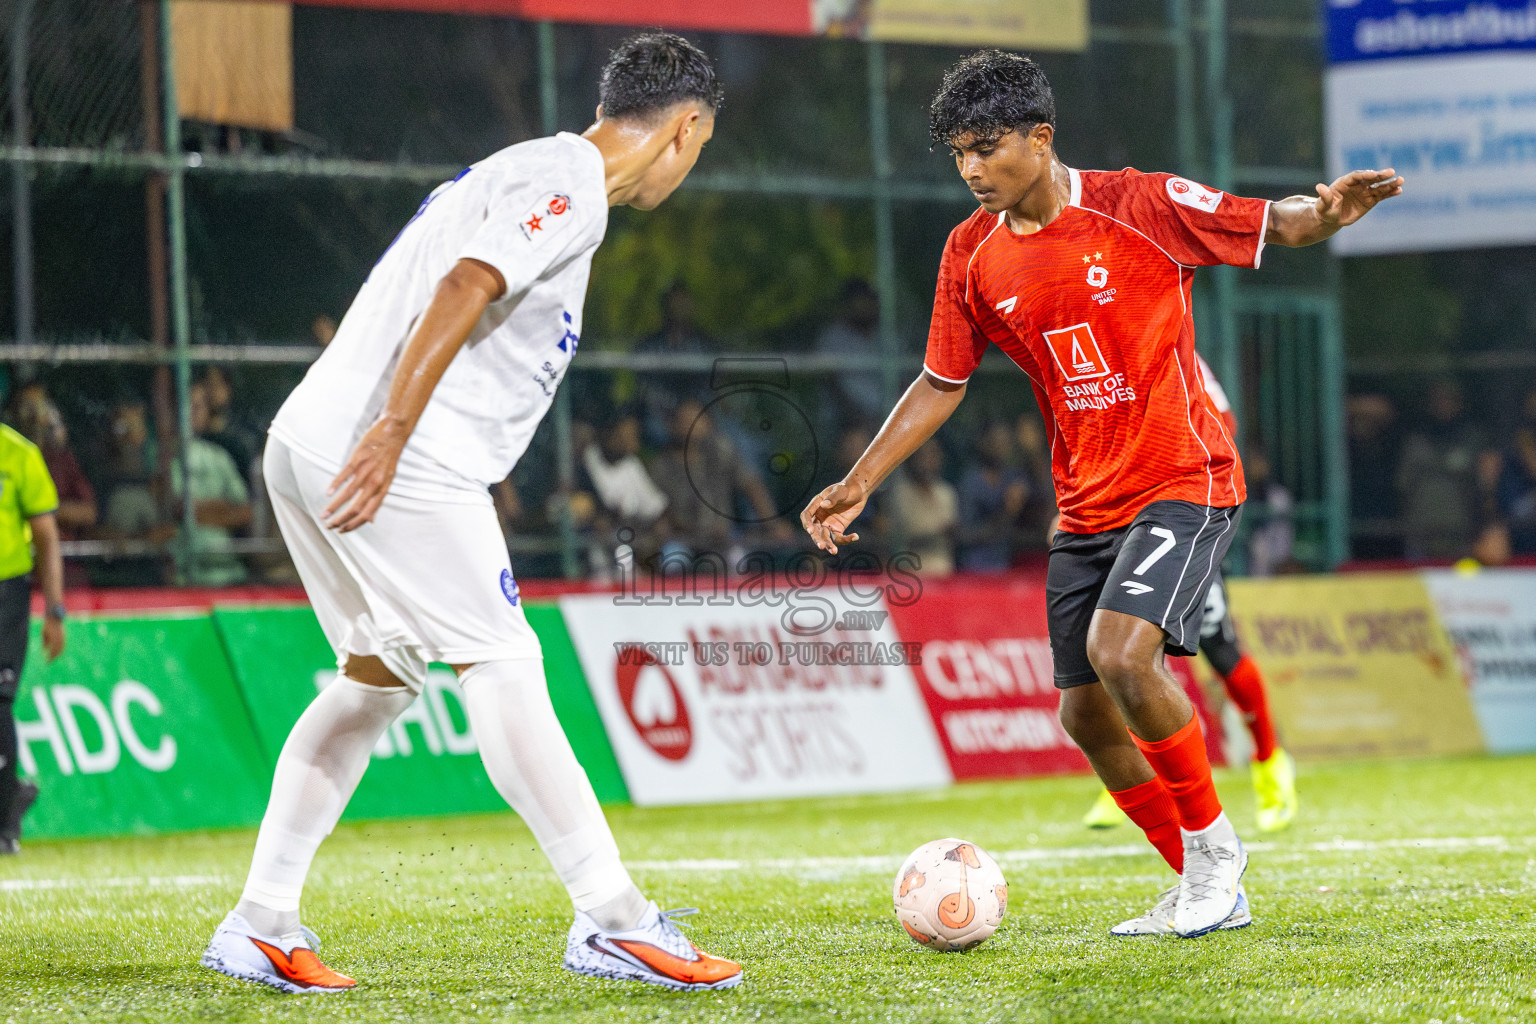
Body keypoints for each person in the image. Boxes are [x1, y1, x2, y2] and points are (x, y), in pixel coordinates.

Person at [801, 50, 1399, 938]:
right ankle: (1198, 885)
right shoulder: (970, 255)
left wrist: (1329, 214)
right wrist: (859, 481)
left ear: (1041, 138)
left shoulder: (1141, 205)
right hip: (1085, 505)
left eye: (986, 147)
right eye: (958, 153)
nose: (971, 169)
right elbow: (940, 381)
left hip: (1184, 478)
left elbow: (1275, 222)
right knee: (1083, 713)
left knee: (1123, 657)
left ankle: (1216, 859)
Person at [201, 33, 741, 994]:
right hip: (397, 457)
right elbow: (466, 283)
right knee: (503, 664)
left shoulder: (528, 168)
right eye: (698, 147)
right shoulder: (570, 184)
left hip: (310, 440)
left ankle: (261, 922)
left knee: (376, 679)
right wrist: (393, 430)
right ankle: (615, 920)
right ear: (686, 129)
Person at [1083, 355, 1298, 835]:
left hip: (1178, 519)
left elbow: (1222, 425)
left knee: (1218, 647)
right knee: (1120, 651)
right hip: (1116, 518)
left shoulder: (1177, 349)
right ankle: (1129, 776)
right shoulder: (1094, 347)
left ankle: (1270, 762)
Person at [0, 421, 67, 854]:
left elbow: (45, 534)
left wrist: (55, 609)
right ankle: (12, 792)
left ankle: (4, 820)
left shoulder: (18, 454)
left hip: (6, 593)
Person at [172, 381, 253, 587]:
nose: (192, 412)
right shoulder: (161, 458)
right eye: (186, 404)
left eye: (199, 406)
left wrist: (196, 511)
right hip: (179, 576)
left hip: (227, 575)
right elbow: (172, 511)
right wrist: (220, 509)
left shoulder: (219, 456)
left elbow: (245, 512)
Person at [1397, 382, 1482, 560]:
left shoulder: (1472, 441)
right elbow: (1402, 486)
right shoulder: (1416, 442)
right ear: (1430, 405)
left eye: (1449, 400)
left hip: (1461, 535)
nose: (1444, 405)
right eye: (1438, 400)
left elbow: (1481, 486)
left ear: (1459, 404)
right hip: (1421, 536)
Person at [956, 420, 1029, 571]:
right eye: (995, 442)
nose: (1000, 447)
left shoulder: (1014, 478)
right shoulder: (971, 482)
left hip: (1009, 565)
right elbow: (965, 535)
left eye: (1004, 442)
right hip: (976, 567)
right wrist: (1007, 511)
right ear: (982, 443)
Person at [885, 439, 958, 576]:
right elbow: (906, 532)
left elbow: (952, 532)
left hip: (944, 571)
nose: (927, 460)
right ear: (912, 458)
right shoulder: (900, 494)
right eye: (922, 455)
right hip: (910, 574)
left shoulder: (946, 493)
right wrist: (939, 532)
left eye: (933, 454)